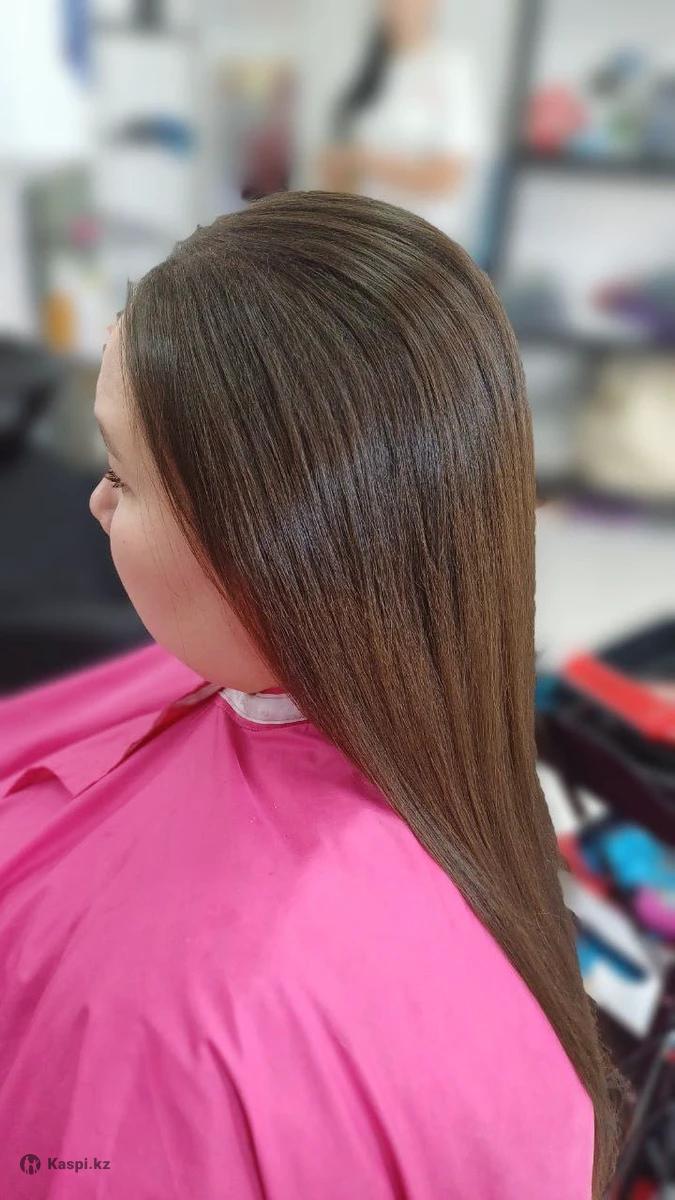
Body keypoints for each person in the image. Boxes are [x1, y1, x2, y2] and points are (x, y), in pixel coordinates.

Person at [0, 190, 622, 1198]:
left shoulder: (179, 1028)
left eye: (122, 472)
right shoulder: (433, 730)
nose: (96, 500)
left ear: (265, 548)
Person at [317, 0, 486, 255]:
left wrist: (363, 161)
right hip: (366, 236)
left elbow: (447, 178)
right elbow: (336, 167)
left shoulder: (451, 68)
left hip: (423, 244)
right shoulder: (367, 71)